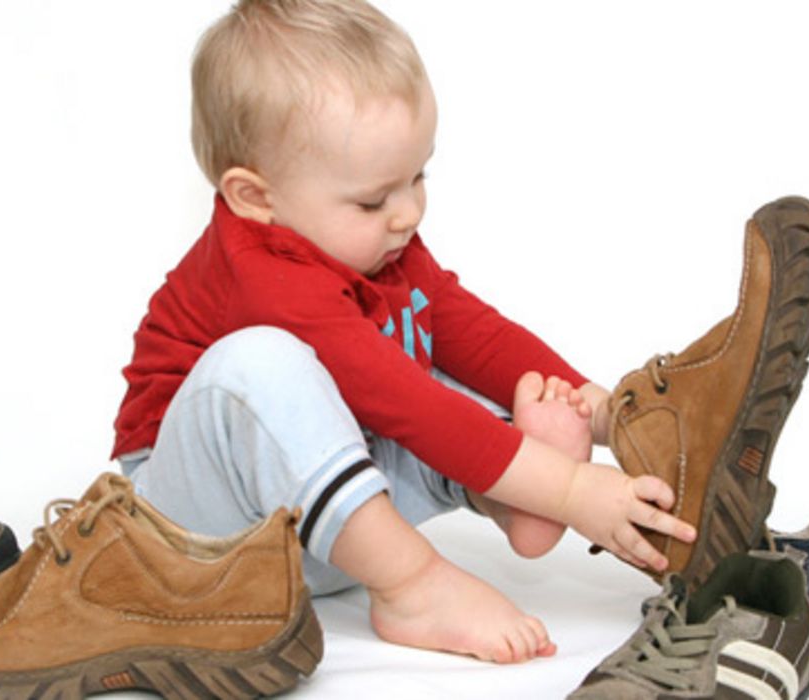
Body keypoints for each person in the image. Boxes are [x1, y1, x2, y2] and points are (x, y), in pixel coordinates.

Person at [110, 0, 696, 664]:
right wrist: (569, 490)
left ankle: (503, 495)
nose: (408, 212)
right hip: (198, 540)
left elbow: (466, 330)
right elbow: (410, 407)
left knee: (420, 359)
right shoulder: (261, 275)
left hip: (335, 529)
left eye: (417, 177)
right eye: (373, 199)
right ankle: (414, 585)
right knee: (266, 366)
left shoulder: (370, 243)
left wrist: (610, 414)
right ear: (254, 197)